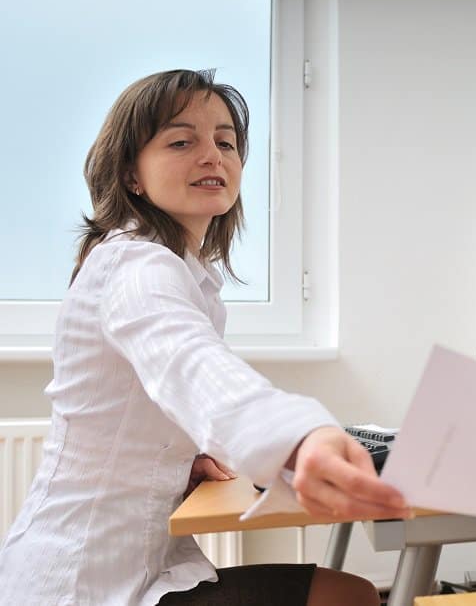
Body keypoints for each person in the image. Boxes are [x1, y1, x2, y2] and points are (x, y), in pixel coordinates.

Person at [0, 69, 409, 605]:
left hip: (133, 569)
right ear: (131, 175)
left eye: (226, 142)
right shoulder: (135, 263)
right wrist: (300, 436)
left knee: (347, 593)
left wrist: (177, 459)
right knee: (349, 597)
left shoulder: (175, 269)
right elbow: (187, 361)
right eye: (181, 140)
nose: (213, 155)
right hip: (82, 585)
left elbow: (155, 389)